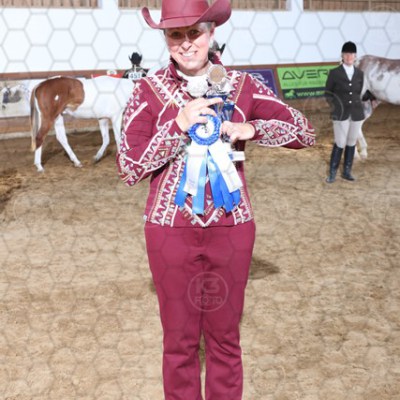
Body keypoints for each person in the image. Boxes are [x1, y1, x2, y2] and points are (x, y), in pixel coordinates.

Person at [116, 0, 315, 399]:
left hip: (231, 227)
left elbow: (304, 132)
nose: (186, 43)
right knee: (179, 343)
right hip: (170, 231)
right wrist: (177, 125)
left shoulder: (242, 86)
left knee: (225, 339)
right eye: (175, 34)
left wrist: (251, 128)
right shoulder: (147, 91)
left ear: (211, 33)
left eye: (195, 32)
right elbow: (129, 167)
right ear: (165, 38)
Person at [325, 41, 365, 183]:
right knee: (340, 142)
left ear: (355, 56)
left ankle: (347, 171)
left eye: (351, 54)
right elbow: (328, 93)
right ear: (342, 55)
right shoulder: (334, 73)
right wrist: (336, 107)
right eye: (346, 54)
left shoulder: (360, 73)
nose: (349, 57)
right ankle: (332, 173)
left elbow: (358, 92)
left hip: (356, 113)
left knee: (351, 142)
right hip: (340, 114)